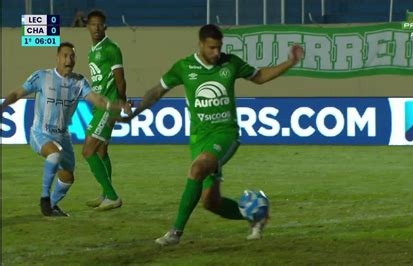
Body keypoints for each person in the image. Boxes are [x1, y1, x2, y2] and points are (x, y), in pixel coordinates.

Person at [120, 24, 304, 245]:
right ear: (200, 45)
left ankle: (175, 233)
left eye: (219, 47)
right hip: (199, 138)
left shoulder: (231, 63)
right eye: (212, 48)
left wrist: (290, 62)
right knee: (211, 202)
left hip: (225, 133)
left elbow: (260, 76)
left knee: (197, 169)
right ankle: (256, 216)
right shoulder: (184, 67)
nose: (217, 53)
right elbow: (157, 91)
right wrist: (135, 113)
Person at [0, 42, 129, 216]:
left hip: (63, 136)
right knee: (54, 153)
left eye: (72, 56)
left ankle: (51, 206)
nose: (69, 59)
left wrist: (115, 106)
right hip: (40, 133)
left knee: (68, 178)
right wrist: (3, 106)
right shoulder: (41, 76)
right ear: (57, 58)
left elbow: (97, 99)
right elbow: (17, 93)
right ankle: (45, 197)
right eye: (65, 55)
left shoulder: (79, 81)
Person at [83, 10, 128, 211]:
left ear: (105, 27)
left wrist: (121, 102)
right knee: (101, 151)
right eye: (93, 24)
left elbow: (120, 78)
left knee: (88, 151)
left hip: (109, 105)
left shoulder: (111, 48)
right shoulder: (92, 51)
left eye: (100, 24)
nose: (96, 28)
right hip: (99, 105)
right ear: (88, 26)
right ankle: (105, 193)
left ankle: (112, 196)